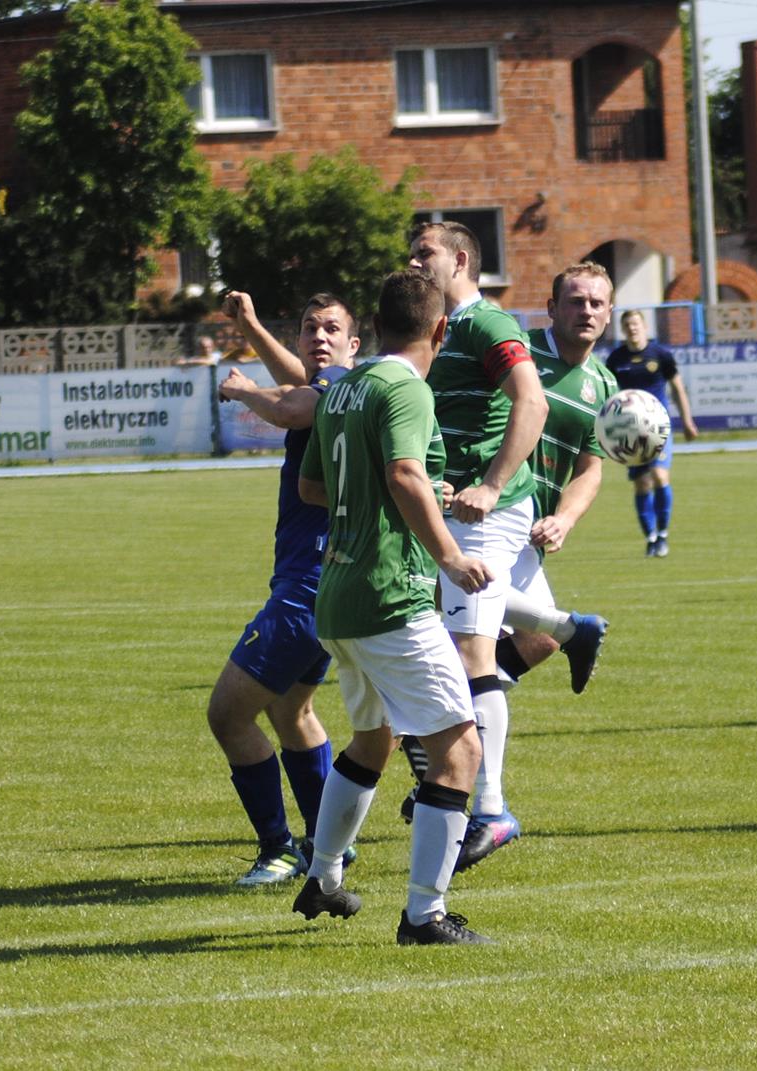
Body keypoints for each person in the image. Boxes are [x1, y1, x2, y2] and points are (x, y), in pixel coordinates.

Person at [293, 267, 495, 944]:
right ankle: (424, 915)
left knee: (374, 737)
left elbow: (313, 486)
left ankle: (322, 876)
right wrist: (450, 555)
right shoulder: (406, 386)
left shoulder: (342, 386)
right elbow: (405, 473)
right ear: (440, 329)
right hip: (389, 595)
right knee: (459, 749)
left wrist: (401, 494)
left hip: (338, 597)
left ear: (372, 326)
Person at [203, 290, 360, 885]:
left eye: (332, 329)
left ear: (353, 344)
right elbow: (300, 385)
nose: (318, 337)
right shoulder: (334, 386)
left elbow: (294, 407)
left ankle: (280, 848)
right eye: (308, 328)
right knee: (293, 711)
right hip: (322, 577)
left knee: (228, 716)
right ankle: (331, 845)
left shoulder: (333, 391)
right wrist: (251, 324)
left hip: (307, 586)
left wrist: (243, 391)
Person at [407, 220, 547, 869]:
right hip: (452, 508)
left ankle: (489, 810)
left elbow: (533, 402)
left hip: (487, 513)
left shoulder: (488, 324)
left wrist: (490, 485)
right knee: (437, 646)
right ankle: (445, 775)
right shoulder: (440, 332)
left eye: (423, 253)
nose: (412, 262)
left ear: (460, 259)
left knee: (468, 653)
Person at [498, 262, 620, 696]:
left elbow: (591, 469)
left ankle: (437, 727)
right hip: (491, 512)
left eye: (596, 303)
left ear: (609, 313)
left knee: (540, 637)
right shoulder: (516, 353)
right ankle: (437, 729)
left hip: (530, 532)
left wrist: (564, 520)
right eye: (575, 302)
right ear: (551, 308)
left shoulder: (604, 385)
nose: (586, 311)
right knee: (539, 631)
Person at [603, 309, 699, 557]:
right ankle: (651, 537)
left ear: (645, 327)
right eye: (627, 325)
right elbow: (608, 395)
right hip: (629, 433)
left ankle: (664, 534)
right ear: (623, 330)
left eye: (636, 323)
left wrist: (687, 420)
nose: (632, 328)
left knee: (658, 476)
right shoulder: (616, 359)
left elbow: (678, 388)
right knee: (641, 484)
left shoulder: (661, 355)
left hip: (659, 428)